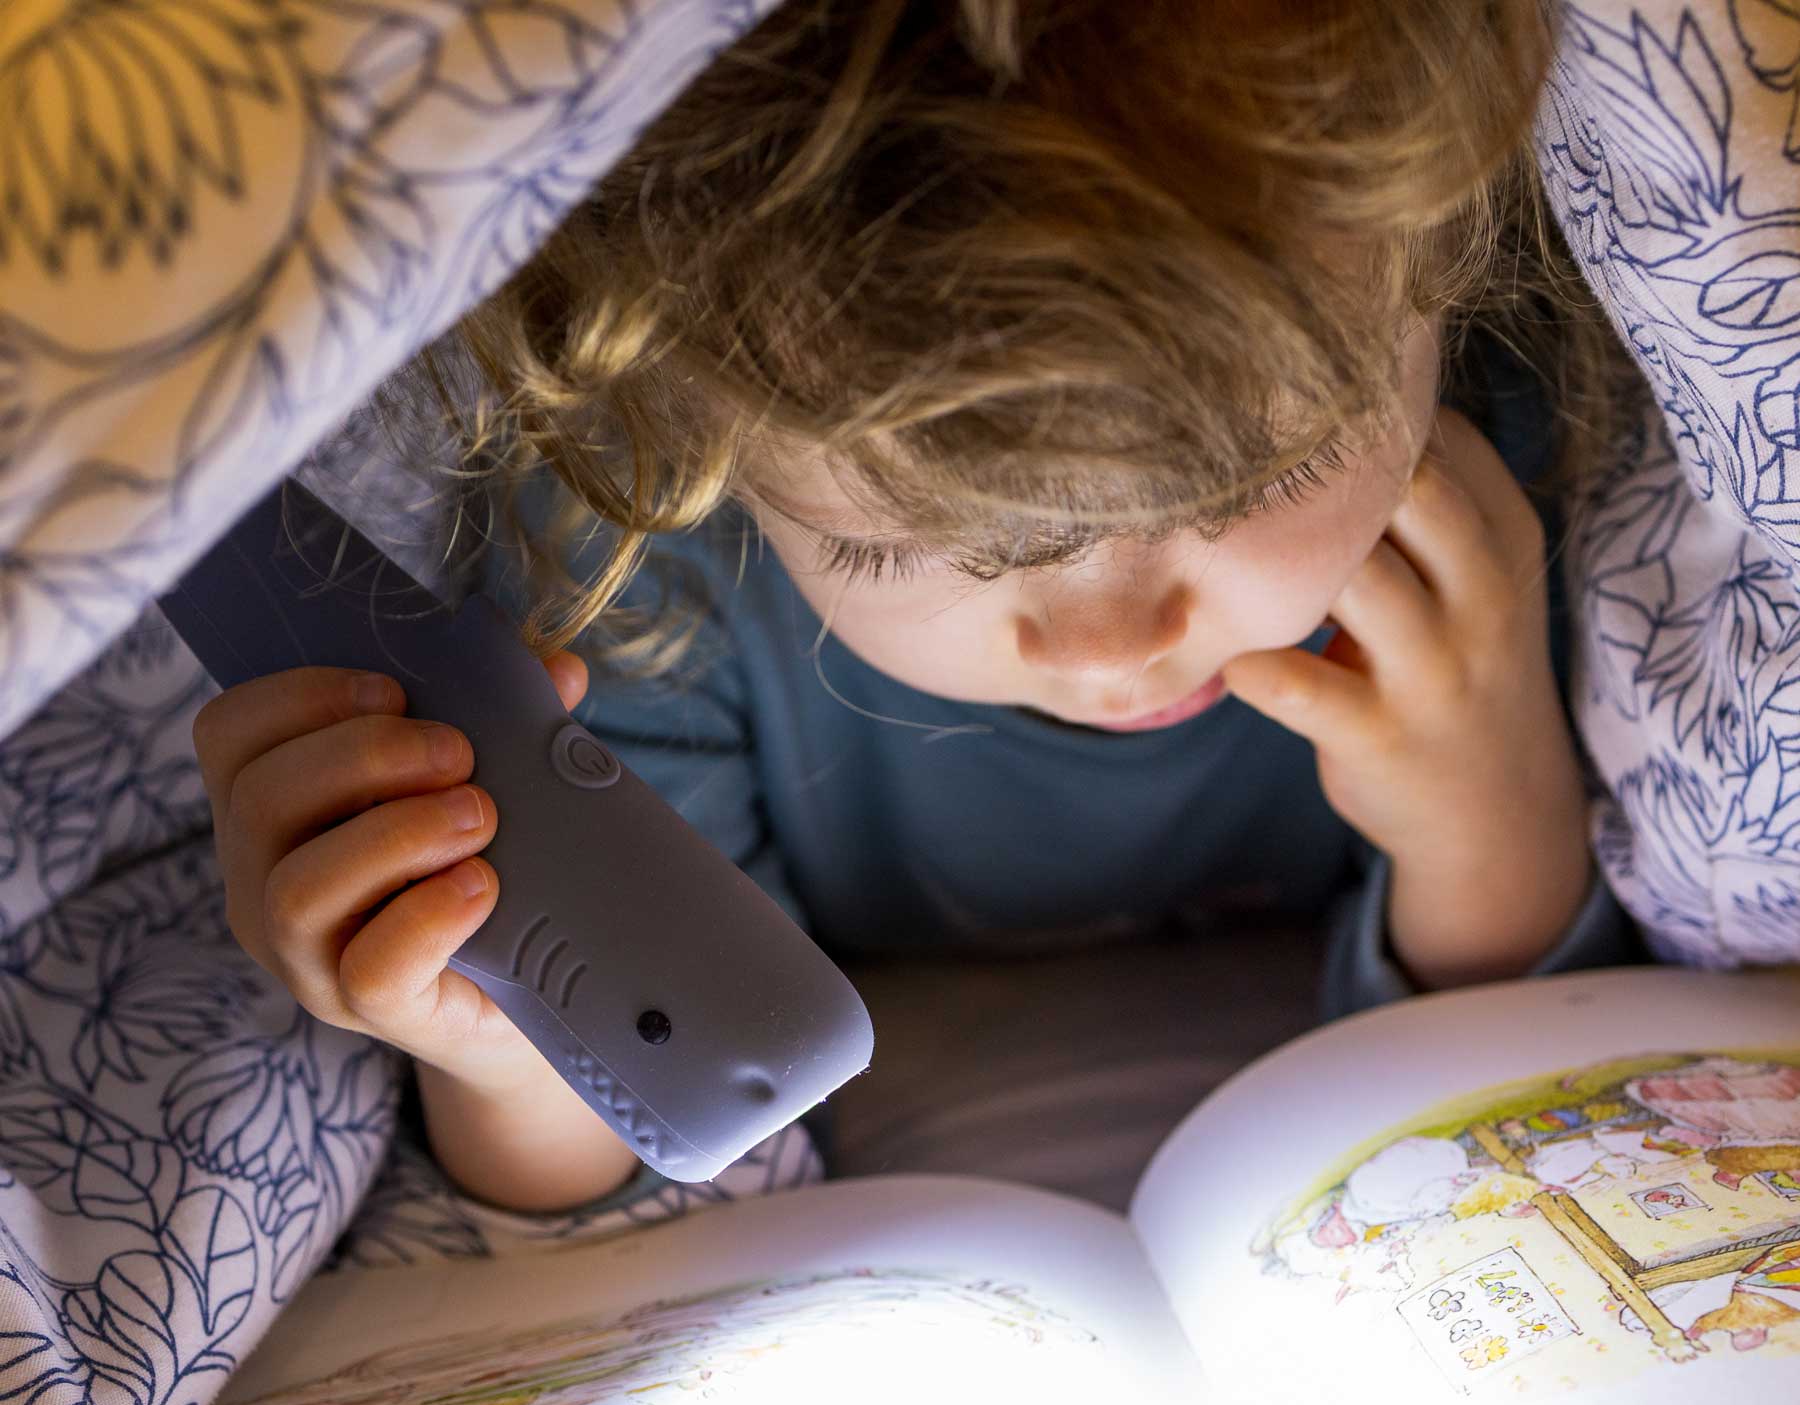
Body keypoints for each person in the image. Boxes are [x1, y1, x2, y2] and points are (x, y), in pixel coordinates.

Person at [190, 0, 1638, 1217]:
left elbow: (1529, 1089)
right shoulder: (633, 576)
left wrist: (1493, 814)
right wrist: (509, 1053)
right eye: (912, 551)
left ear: (1443, 270)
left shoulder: (1521, 493)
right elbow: (631, 1158)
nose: (1111, 647)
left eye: (1258, 479)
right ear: (709, 440)